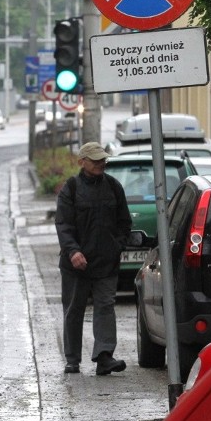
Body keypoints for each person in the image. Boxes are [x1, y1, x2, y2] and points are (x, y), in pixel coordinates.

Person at [54, 141, 133, 376]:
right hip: (75, 264)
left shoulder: (113, 186)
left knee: (106, 307)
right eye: (96, 160)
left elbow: (124, 223)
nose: (101, 163)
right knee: (74, 309)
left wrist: (117, 247)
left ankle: (104, 356)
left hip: (106, 263)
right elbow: (63, 225)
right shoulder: (71, 188)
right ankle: (72, 359)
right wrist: (73, 251)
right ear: (82, 162)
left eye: (103, 159)